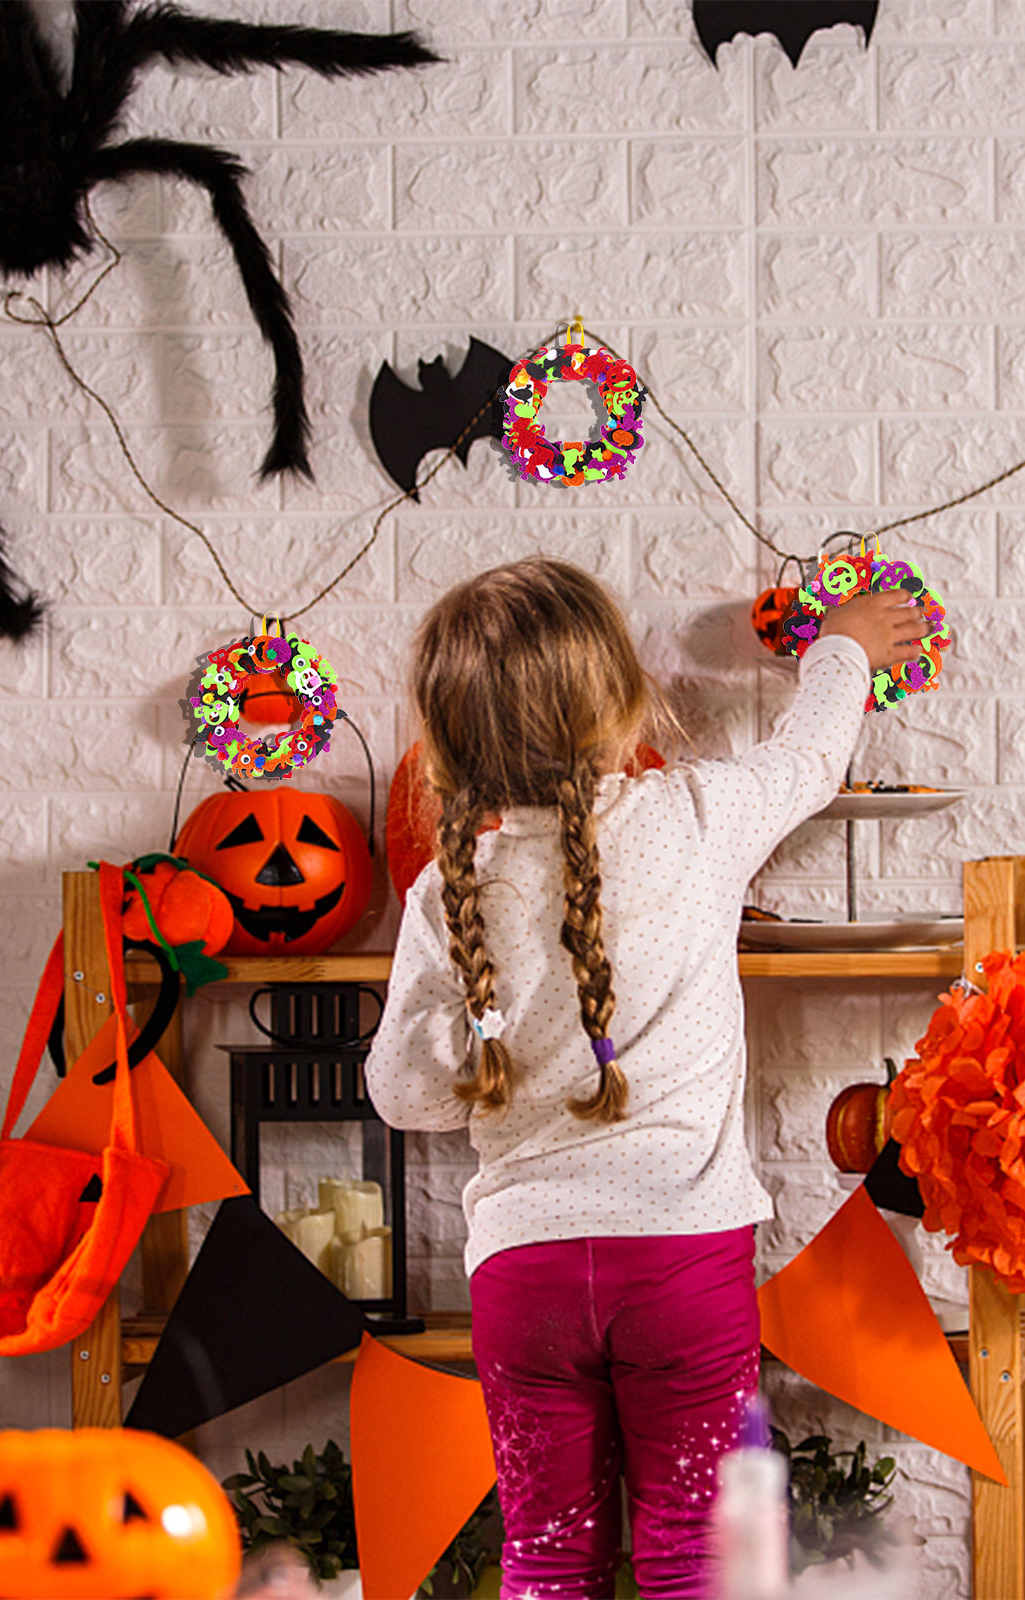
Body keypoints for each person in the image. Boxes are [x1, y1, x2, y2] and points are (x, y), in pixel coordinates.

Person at [366, 557, 925, 1600]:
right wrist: (842, 646)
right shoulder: (693, 818)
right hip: (682, 1262)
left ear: (443, 744)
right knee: (696, 1555)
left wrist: (493, 1046)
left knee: (547, 1553)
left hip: (523, 1278)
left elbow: (403, 1096)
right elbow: (808, 758)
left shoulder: (448, 893)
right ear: (623, 702)